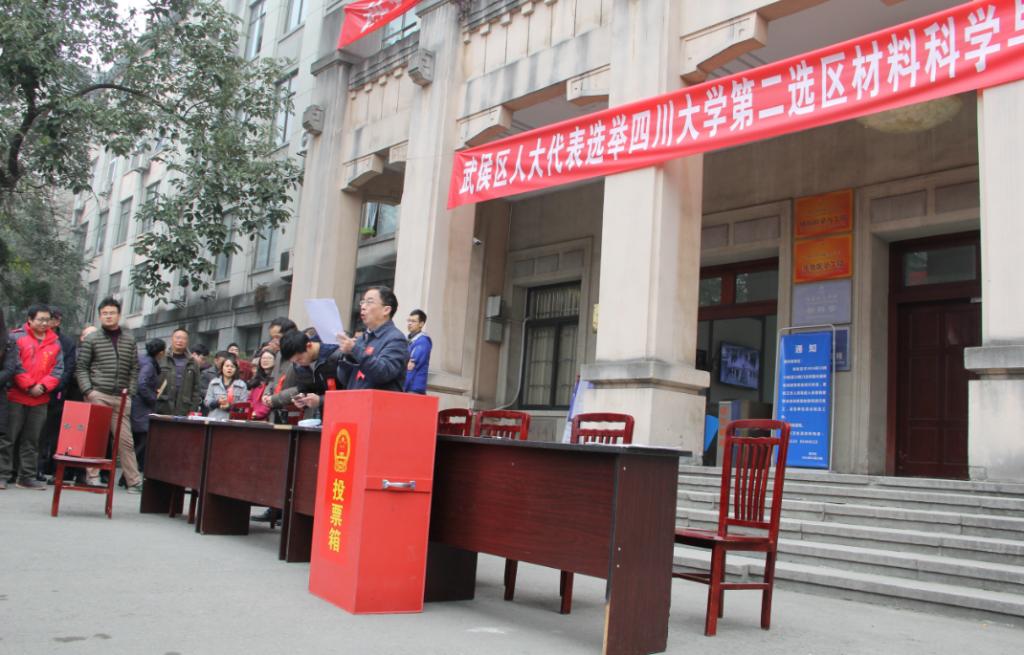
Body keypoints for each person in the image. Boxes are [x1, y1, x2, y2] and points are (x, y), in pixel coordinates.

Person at [75, 298, 142, 493]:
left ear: (119, 315)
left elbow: (134, 368)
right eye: (104, 313)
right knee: (96, 437)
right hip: (99, 394)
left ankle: (134, 481)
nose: (108, 316)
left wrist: (130, 391)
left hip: (121, 397)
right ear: (100, 316)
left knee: (126, 441)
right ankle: (93, 477)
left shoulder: (129, 339)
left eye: (112, 313)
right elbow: (81, 367)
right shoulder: (92, 339)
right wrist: (89, 391)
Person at [1, 305, 64, 490]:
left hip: (40, 399)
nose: (44, 323)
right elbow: (15, 365)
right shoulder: (16, 337)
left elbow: (58, 369)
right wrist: (29, 386)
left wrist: (42, 387)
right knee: (8, 438)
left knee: (32, 440)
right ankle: (3, 474)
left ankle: (26, 476)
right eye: (40, 319)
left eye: (47, 320)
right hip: (16, 396)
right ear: (29, 319)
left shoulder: (55, 342)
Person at [337, 287, 409, 392]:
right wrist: (347, 355)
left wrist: (355, 349)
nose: (363, 307)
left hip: (380, 401)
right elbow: (344, 379)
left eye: (369, 302)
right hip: (355, 399)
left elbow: (383, 373)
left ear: (386, 310)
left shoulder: (396, 339)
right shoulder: (362, 339)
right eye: (362, 302)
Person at [37, 307, 78, 482]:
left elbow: (68, 368)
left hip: (56, 394)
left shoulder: (66, 342)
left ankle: (51, 468)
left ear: (58, 321)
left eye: (52, 319)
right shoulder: (37, 337)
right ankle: (34, 468)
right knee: (36, 432)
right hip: (35, 390)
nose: (48, 322)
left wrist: (55, 386)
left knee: (52, 433)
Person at [279, 329, 342, 414]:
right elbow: (305, 389)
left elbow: (350, 393)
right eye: (294, 361)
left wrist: (320, 400)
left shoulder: (336, 356)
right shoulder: (299, 366)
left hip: (345, 412)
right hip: (323, 415)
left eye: (299, 359)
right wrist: (303, 399)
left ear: (309, 346)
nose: (298, 363)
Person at [131, 338, 166, 474]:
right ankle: (128, 474)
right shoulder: (149, 365)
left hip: (137, 405)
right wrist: (152, 397)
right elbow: (142, 383)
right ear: (161, 352)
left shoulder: (143, 360)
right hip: (141, 408)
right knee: (143, 440)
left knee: (139, 441)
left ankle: (130, 473)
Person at [158, 327, 201, 416]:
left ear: (187, 341)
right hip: (162, 407)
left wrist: (193, 409)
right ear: (172, 339)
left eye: (183, 338)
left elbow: (196, 389)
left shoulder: (193, 362)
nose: (180, 341)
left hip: (184, 408)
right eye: (177, 337)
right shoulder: (161, 359)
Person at [0, 311, 19, 488]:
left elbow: (10, 368)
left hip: (0, 392)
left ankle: (2, 474)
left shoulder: (8, 341)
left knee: (3, 436)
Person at [203, 354, 249, 420]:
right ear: (222, 368)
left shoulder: (242, 385)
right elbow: (207, 402)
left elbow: (244, 407)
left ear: (236, 369)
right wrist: (218, 402)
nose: (229, 368)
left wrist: (230, 406)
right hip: (215, 420)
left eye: (232, 366)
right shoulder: (214, 383)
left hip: (233, 421)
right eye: (227, 366)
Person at [404, 309, 432, 394]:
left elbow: (411, 368)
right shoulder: (408, 339)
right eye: (409, 320)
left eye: (413, 321)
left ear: (421, 324)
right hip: (408, 387)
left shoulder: (423, 341)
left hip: (413, 389)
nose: (409, 323)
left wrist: (402, 389)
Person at [246, 349, 276, 421]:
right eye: (263, 358)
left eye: (269, 358)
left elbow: (270, 402)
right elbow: (249, 399)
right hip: (251, 417)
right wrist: (249, 412)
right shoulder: (257, 379)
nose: (265, 360)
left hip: (268, 419)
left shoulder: (275, 379)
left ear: (275, 361)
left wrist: (257, 413)